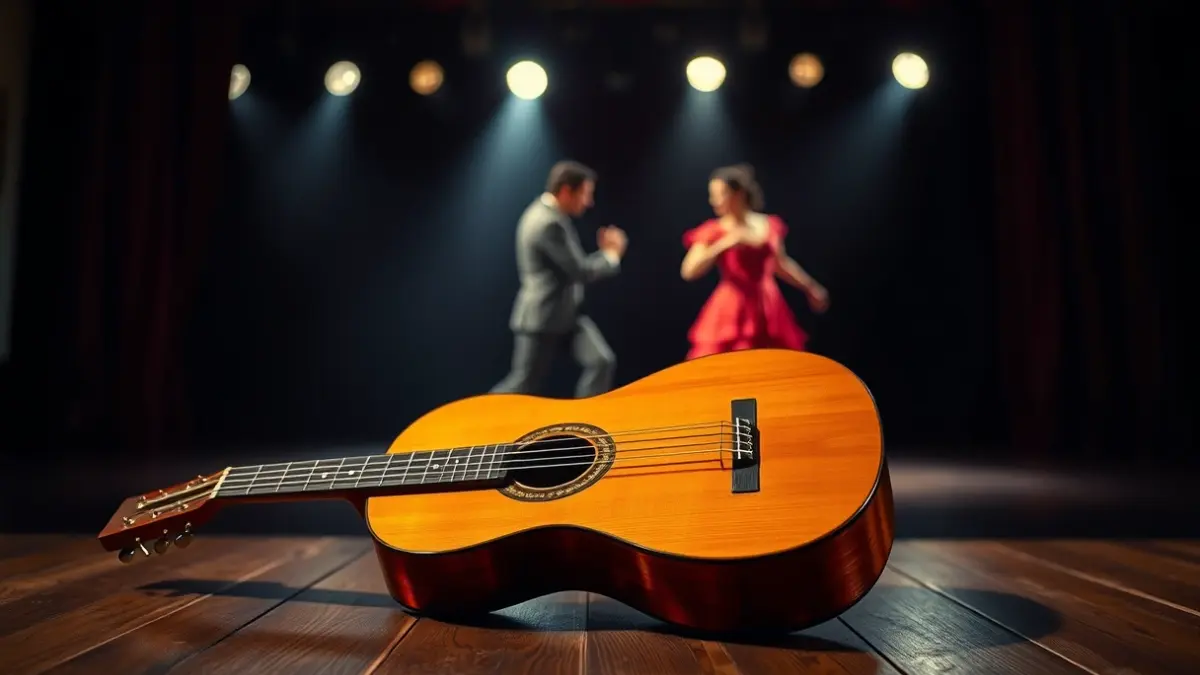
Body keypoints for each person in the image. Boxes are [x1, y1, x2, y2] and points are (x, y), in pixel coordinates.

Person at [491, 161, 629, 398]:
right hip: (543, 317)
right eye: (585, 194)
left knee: (601, 361)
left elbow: (574, 267)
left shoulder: (546, 214)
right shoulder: (548, 223)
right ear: (566, 191)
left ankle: (586, 417)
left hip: (566, 315)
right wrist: (611, 255)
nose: (589, 202)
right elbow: (580, 271)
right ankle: (475, 417)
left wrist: (605, 255)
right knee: (522, 385)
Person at [679, 164, 829, 360]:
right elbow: (688, 271)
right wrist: (724, 244)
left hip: (767, 304)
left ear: (738, 194)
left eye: (720, 194)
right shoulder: (714, 230)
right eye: (712, 195)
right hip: (732, 305)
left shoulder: (768, 224)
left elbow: (780, 265)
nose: (713, 201)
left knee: (772, 361)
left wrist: (810, 287)